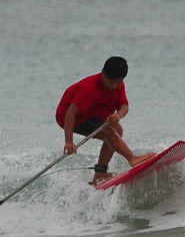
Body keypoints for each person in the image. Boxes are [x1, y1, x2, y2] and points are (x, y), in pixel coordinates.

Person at [56, 56, 154, 186]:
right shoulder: (90, 88)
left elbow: (124, 105)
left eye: (118, 82)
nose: (114, 86)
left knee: (117, 129)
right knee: (109, 133)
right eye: (111, 81)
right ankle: (132, 159)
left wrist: (118, 115)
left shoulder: (118, 85)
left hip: (92, 110)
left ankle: (100, 174)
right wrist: (69, 141)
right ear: (103, 73)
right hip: (69, 117)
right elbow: (70, 114)